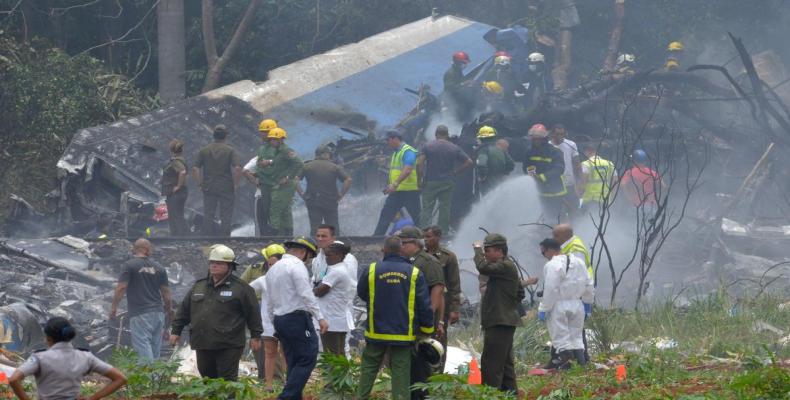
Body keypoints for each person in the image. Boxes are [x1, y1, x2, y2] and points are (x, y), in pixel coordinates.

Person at [356, 236, 435, 400]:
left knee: (368, 370)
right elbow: (424, 305)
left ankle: (360, 397)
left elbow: (363, 293)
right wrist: (427, 330)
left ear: (384, 250)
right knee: (401, 375)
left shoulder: (372, 269)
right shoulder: (414, 273)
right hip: (403, 335)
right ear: (401, 251)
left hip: (375, 332)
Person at [170, 244, 263, 381]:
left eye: (218, 263)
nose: (214, 265)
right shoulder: (199, 286)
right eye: (212, 262)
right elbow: (184, 310)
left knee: (227, 380)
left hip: (229, 343)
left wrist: (256, 336)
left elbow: (253, 313)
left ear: (230, 266)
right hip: (202, 341)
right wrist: (176, 331)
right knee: (208, 378)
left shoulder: (241, 289)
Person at [264, 236, 329, 400]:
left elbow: (269, 300)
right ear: (303, 252)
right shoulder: (297, 266)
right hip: (296, 318)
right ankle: (286, 396)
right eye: (310, 256)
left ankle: (294, 397)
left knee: (293, 359)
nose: (309, 261)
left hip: (280, 319)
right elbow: (306, 295)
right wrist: (320, 317)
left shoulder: (273, 269)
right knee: (308, 356)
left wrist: (274, 323)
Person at [9, 317, 127, 400]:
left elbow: (14, 379)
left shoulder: (40, 357)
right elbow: (120, 378)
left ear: (48, 338)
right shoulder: (86, 357)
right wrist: (93, 398)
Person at [396, 227, 444, 400]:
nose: (400, 246)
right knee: (407, 365)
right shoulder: (406, 261)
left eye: (403, 242)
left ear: (415, 243)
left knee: (419, 366)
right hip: (407, 321)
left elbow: (437, 289)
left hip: (419, 323)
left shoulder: (428, 261)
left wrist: (428, 319)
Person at [473, 233, 522, 393]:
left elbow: (483, 267)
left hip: (500, 322)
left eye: (488, 250)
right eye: (484, 250)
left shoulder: (505, 266)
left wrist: (477, 250)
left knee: (491, 364)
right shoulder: (506, 269)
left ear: (500, 251)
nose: (485, 254)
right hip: (504, 321)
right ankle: (510, 394)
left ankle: (490, 395)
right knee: (505, 364)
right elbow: (520, 292)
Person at [109, 239, 172, 362]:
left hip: (140, 313)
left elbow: (121, 287)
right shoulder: (159, 268)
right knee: (155, 348)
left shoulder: (129, 265)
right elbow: (167, 294)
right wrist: (168, 311)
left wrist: (113, 308)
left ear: (135, 249)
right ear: (147, 250)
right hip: (158, 313)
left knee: (142, 345)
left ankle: (146, 379)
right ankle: (156, 379)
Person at [537, 238, 593, 369]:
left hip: (559, 305)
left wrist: (543, 308)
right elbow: (588, 283)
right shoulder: (579, 262)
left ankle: (566, 367)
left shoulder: (552, 265)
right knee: (577, 337)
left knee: (561, 338)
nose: (544, 256)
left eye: (543, 252)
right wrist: (587, 303)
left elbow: (551, 288)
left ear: (550, 250)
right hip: (577, 304)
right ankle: (581, 365)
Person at [242, 243, 286, 385]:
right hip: (258, 309)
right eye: (270, 262)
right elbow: (243, 288)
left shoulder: (288, 273)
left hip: (279, 310)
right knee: (260, 345)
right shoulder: (255, 270)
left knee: (279, 347)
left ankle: (277, 379)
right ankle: (265, 377)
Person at [417, 125, 473, 233]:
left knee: (427, 208)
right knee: (445, 208)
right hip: (447, 182)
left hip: (430, 182)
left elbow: (419, 163)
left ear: (436, 134)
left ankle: (424, 232)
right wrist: (456, 172)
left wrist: (420, 180)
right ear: (447, 135)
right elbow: (469, 162)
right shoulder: (454, 147)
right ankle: (442, 233)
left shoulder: (427, 146)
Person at [423, 225, 462, 371]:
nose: (426, 240)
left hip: (442, 306)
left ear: (438, 237)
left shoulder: (448, 257)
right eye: (424, 237)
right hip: (424, 303)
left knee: (439, 339)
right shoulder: (421, 255)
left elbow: (454, 284)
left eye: (429, 236)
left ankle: (438, 370)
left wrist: (455, 309)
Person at [192, 124, 242, 236]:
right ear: (225, 136)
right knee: (226, 214)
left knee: (208, 213)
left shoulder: (204, 150)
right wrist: (235, 184)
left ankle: (208, 238)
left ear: (214, 135)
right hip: (226, 186)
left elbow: (195, 169)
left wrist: (200, 184)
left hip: (209, 186)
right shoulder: (230, 150)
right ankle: (225, 238)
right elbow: (238, 168)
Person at [373, 130, 420, 236]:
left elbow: (407, 170)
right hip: (397, 192)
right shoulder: (396, 153)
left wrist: (394, 184)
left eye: (388, 140)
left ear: (395, 139)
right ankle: (376, 238)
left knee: (417, 218)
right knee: (385, 215)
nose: (387, 143)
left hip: (409, 192)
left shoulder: (408, 151)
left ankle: (422, 238)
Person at [297, 145, 352, 235]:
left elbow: (295, 180)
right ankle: (334, 246)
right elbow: (348, 180)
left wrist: (302, 194)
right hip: (330, 200)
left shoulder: (307, 166)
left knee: (315, 227)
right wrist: (341, 194)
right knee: (333, 227)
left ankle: (315, 247)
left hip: (312, 200)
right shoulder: (334, 167)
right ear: (326, 154)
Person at [312, 242, 354, 355]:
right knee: (339, 355)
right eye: (326, 255)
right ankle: (343, 373)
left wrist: (310, 290)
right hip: (337, 320)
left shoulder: (337, 271)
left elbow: (319, 292)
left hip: (331, 321)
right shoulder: (338, 268)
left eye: (329, 255)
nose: (326, 258)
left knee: (332, 356)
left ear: (339, 255)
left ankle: (335, 374)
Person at [523, 123, 567, 223]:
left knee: (555, 218)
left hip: (555, 192)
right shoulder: (529, 152)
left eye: (538, 139)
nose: (535, 141)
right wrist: (530, 174)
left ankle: (558, 234)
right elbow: (525, 167)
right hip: (538, 192)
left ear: (544, 138)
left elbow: (559, 169)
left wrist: (542, 177)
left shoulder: (555, 152)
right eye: (534, 138)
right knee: (541, 218)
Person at [264, 127, 304, 237]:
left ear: (280, 140)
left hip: (285, 185)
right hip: (282, 184)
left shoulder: (286, 150)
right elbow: (281, 163)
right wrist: (270, 162)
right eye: (270, 139)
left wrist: (288, 177)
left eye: (273, 139)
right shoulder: (279, 152)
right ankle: (288, 233)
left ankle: (274, 233)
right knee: (286, 209)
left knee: (275, 208)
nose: (271, 141)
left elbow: (299, 163)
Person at [243, 118, 279, 236]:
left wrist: (256, 182)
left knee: (262, 225)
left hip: (262, 195)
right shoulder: (284, 153)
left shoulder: (262, 154)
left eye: (263, 132)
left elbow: (245, 170)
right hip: (278, 195)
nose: (262, 134)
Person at [549, 124, 582, 216]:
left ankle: (576, 228)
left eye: (562, 134)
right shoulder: (548, 146)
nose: (560, 136)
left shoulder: (571, 144)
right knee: (559, 212)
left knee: (574, 210)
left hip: (569, 184)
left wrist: (580, 182)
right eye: (558, 134)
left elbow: (577, 164)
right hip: (555, 185)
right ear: (552, 134)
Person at [475, 125, 515, 197]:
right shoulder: (500, 149)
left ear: (481, 138)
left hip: (488, 182)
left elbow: (481, 163)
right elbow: (511, 164)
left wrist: (482, 176)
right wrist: (505, 174)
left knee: (488, 201)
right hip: (501, 181)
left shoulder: (483, 150)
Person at [579, 144, 617, 214]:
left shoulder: (585, 164)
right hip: (605, 199)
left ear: (587, 152)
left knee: (587, 219)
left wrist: (579, 195)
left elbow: (583, 183)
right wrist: (612, 197)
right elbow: (614, 182)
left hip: (590, 199)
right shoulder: (609, 163)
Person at [162, 139, 189, 236]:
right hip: (180, 192)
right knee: (178, 215)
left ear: (171, 150)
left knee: (175, 216)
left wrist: (178, 186)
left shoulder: (175, 162)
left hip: (176, 193)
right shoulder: (181, 160)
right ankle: (180, 237)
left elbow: (182, 172)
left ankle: (179, 237)